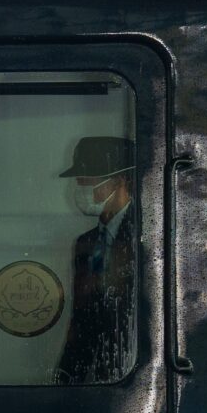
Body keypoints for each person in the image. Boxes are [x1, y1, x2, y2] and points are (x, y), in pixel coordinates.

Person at [56, 135, 137, 384]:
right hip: (97, 377)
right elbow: (82, 317)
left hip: (133, 373)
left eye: (88, 177)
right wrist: (65, 376)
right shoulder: (87, 243)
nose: (79, 184)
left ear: (120, 181)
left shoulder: (145, 238)